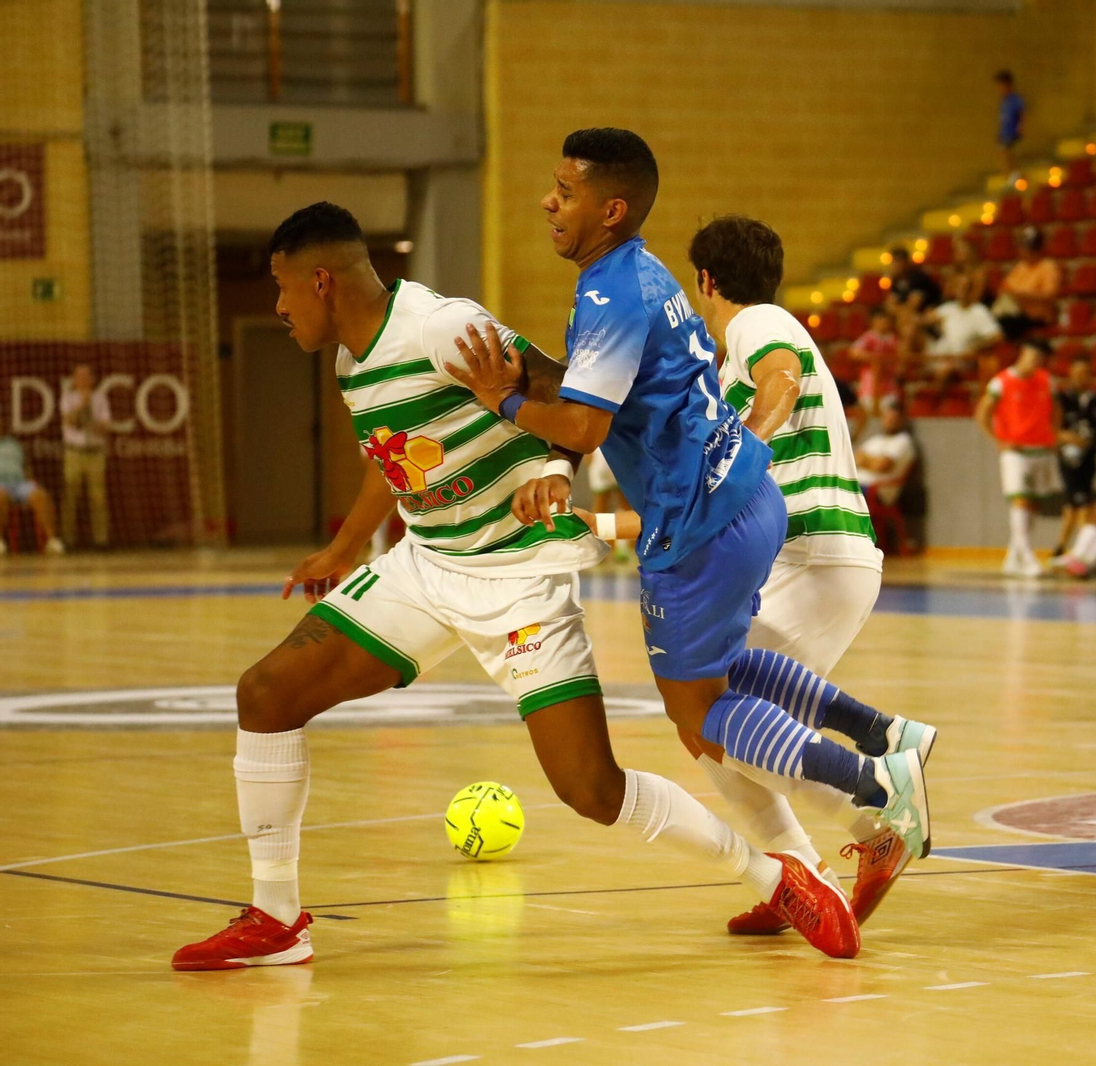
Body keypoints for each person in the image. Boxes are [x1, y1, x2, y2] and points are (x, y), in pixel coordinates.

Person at [172, 202, 862, 970]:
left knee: (592, 792)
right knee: (266, 694)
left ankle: (775, 873)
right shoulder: (349, 360)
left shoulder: (442, 327)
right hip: (426, 567)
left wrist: (553, 470)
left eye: (282, 287)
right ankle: (276, 919)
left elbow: (567, 390)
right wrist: (342, 546)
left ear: (323, 281)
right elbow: (394, 452)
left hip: (521, 580)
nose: (277, 305)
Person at [447, 129, 934, 880]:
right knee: (730, 674)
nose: (548, 201)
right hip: (745, 503)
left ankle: (873, 786)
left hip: (704, 524)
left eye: (565, 191)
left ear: (611, 209)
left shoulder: (624, 297)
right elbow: (594, 408)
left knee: (698, 717)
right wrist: (560, 467)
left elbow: (585, 421)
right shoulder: (646, 274)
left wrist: (504, 402)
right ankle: (880, 739)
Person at [663, 214, 916, 934]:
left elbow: (783, 377)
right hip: (807, 558)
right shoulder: (735, 350)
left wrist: (747, 446)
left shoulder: (759, 324)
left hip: (814, 552)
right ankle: (799, 875)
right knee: (708, 729)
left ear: (706, 281)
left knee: (711, 715)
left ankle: (877, 807)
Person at [975, 337, 1061, 577]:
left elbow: (1056, 409)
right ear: (1022, 354)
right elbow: (982, 413)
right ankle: (1027, 556)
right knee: (1020, 500)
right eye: (1034, 356)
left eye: (1041, 359)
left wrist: (1054, 434)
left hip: (1041, 448)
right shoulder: (1001, 382)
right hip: (1015, 451)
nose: (1037, 362)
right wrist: (997, 441)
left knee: (1033, 503)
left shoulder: (1046, 380)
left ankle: (1013, 556)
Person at [1053, 356, 1096, 562]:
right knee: (1081, 503)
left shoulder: (1095, 399)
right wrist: (1067, 437)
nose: (1082, 377)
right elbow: (1053, 426)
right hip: (1068, 458)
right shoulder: (1062, 399)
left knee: (1074, 503)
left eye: (1086, 373)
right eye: (1078, 373)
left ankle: (1062, 547)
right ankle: (1079, 551)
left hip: (1089, 458)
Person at [58, 363, 112, 550]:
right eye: (78, 376)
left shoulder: (101, 398)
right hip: (74, 451)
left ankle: (101, 540)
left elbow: (106, 427)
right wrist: (83, 404)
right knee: (70, 495)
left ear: (92, 379)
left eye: (85, 376)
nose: (82, 380)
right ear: (74, 379)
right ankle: (67, 540)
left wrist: (93, 423)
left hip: (95, 453)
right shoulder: (68, 398)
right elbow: (69, 421)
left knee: (98, 497)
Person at [0, 414, 65, 556]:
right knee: (1, 496)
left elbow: (25, 465)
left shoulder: (12, 443)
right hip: (1, 485)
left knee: (40, 495)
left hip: (19, 483)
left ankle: (52, 540)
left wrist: (30, 479)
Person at [925, 273, 1003, 389]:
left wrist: (975, 346)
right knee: (911, 331)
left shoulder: (979, 311)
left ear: (971, 291)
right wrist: (932, 318)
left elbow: (997, 336)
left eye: (966, 288)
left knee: (945, 370)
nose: (962, 291)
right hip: (942, 353)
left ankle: (932, 401)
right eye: (960, 287)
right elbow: (925, 319)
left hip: (963, 359)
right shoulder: (948, 308)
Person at [994, 227, 1061, 340]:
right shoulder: (1020, 267)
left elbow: (1049, 295)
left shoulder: (1048, 267)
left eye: (1027, 247)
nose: (1022, 251)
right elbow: (1005, 288)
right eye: (1022, 247)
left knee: (1005, 324)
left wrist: (1021, 296)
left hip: (1037, 318)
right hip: (1016, 313)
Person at [856, 399, 919, 515]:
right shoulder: (876, 439)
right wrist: (873, 461)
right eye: (887, 418)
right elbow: (855, 459)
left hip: (878, 491)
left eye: (894, 419)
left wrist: (867, 459)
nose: (889, 421)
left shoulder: (903, 441)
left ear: (901, 421)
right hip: (858, 484)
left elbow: (882, 466)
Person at [849, 307, 902, 416]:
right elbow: (854, 352)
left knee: (889, 411)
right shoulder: (869, 337)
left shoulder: (893, 339)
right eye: (880, 320)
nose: (883, 323)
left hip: (888, 383)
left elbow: (900, 357)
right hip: (870, 383)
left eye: (885, 321)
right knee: (868, 412)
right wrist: (874, 358)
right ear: (873, 322)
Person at [585, 448, 634, 563]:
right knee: (602, 506)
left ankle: (622, 547)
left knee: (624, 504)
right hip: (603, 457)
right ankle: (600, 549)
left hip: (618, 456)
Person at [996, 69, 1025, 181]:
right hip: (1005, 132)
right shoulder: (1004, 101)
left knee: (1010, 153)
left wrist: (1020, 127)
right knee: (1003, 153)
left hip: (1012, 132)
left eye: (1001, 85)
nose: (999, 89)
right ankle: (1008, 176)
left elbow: (1022, 113)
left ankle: (1014, 176)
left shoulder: (1015, 99)